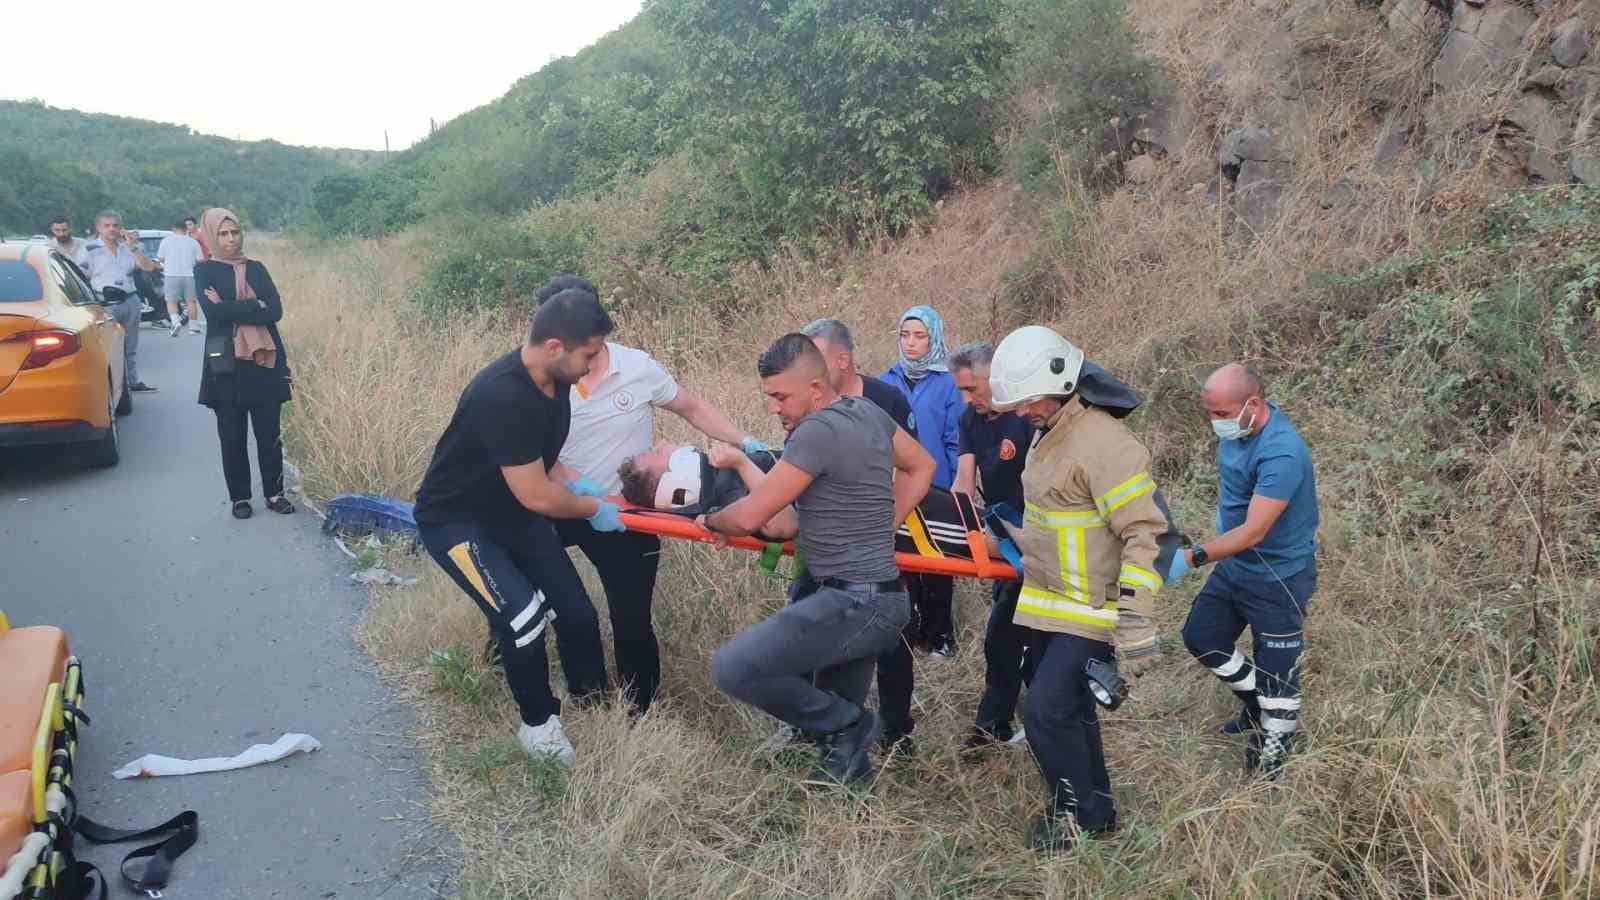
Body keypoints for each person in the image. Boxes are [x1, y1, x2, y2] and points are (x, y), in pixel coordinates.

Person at [703, 334, 934, 786]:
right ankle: (849, 796)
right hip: (878, 600)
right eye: (768, 396)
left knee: (733, 667)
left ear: (814, 388)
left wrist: (711, 519)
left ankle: (853, 725)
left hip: (855, 603)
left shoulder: (816, 431)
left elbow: (755, 516)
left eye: (779, 396)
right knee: (838, 752)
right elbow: (921, 466)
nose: (773, 408)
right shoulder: (867, 413)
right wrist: (886, 525)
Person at [413, 289, 624, 762]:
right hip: (456, 523)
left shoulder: (559, 380)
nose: (593, 365)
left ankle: (592, 702)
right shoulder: (502, 395)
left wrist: (578, 481)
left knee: (575, 614)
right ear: (554, 346)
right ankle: (538, 725)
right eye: (589, 354)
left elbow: (538, 460)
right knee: (523, 618)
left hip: (512, 514)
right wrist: (594, 511)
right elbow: (536, 494)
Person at [537, 274, 762, 715]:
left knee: (632, 618)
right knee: (554, 603)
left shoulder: (637, 367)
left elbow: (691, 407)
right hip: (555, 504)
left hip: (623, 516)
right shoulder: (540, 376)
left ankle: (639, 709)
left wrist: (746, 444)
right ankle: (576, 693)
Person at [987, 325, 1173, 851]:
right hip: (1050, 601)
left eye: (1029, 400)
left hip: (1091, 607)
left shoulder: (1105, 443)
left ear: (1061, 378)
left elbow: (1145, 534)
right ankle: (1096, 808)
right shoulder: (1052, 432)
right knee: (1068, 709)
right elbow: (1065, 521)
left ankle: (1077, 816)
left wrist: (1135, 618)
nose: (1023, 411)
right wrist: (1013, 535)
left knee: (1045, 712)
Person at [1178, 363, 1319, 777]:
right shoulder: (1241, 429)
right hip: (1237, 565)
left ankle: (1270, 760)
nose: (1214, 423)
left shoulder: (1283, 451)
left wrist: (1192, 557)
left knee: (1280, 678)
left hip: (1279, 577)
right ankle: (1258, 705)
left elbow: (1256, 530)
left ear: (1253, 405)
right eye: (1210, 413)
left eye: (1220, 414)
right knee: (1202, 636)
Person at [800, 317, 921, 752]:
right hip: (819, 542)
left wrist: (884, 525)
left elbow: (914, 466)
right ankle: (810, 726)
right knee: (807, 624)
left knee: (889, 637)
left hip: (877, 545)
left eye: (815, 359)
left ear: (843, 359)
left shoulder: (886, 400)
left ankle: (895, 731)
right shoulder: (807, 402)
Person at [949, 341, 1037, 750]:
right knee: (1004, 637)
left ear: (995, 378)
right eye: (962, 391)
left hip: (1038, 540)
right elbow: (964, 484)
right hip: (1000, 538)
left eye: (972, 389)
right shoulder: (970, 419)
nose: (967, 399)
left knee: (1016, 634)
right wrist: (955, 529)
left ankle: (1009, 724)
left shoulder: (1027, 416)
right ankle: (997, 725)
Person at [194, 209, 295, 518]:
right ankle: (240, 498)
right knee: (232, 434)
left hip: (264, 360)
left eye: (234, 232)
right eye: (223, 234)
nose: (230, 239)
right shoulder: (205, 271)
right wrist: (254, 305)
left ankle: (275, 494)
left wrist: (228, 305)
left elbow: (275, 311)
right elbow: (213, 315)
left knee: (270, 433)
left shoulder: (257, 268)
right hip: (226, 363)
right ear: (212, 236)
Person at [880, 305, 966, 658]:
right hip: (894, 487)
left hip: (936, 490)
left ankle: (940, 636)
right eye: (905, 335)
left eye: (920, 336)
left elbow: (954, 440)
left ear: (934, 339)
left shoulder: (948, 383)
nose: (911, 343)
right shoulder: (887, 380)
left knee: (938, 563)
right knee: (902, 560)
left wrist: (951, 490)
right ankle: (908, 633)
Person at [82, 210, 158, 393]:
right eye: (107, 225)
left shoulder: (129, 248)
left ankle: (133, 381)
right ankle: (110, 385)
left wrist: (133, 247)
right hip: (105, 303)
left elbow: (149, 267)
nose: (112, 229)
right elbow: (81, 275)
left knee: (130, 345)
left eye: (115, 225)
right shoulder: (89, 249)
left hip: (130, 300)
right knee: (107, 346)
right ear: (99, 228)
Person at [157, 219, 205, 336]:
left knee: (171, 301)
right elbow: (200, 259)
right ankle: (193, 327)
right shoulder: (193, 242)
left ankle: (175, 321)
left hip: (171, 275)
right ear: (186, 229)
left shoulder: (166, 241)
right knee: (191, 301)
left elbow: (160, 258)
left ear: (173, 229)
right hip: (190, 275)